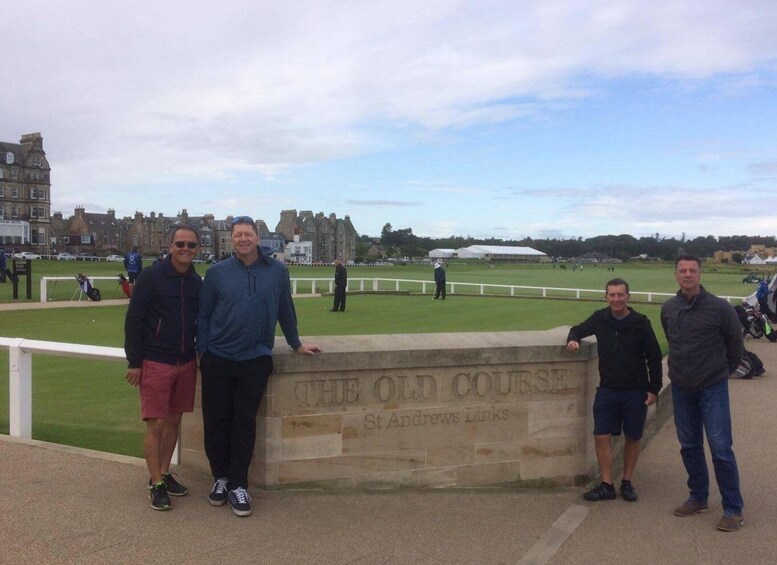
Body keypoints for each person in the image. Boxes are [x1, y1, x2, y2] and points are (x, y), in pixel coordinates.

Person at [197, 216, 321, 517]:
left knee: (244, 423)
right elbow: (203, 315)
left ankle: (239, 484)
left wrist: (295, 343)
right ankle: (220, 480)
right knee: (216, 423)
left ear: (256, 238)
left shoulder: (277, 271)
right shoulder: (216, 273)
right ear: (232, 238)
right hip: (218, 359)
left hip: (255, 359)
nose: (242, 239)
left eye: (247, 234)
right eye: (237, 234)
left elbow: (285, 309)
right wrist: (203, 351)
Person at [661, 254, 745, 532]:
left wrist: (721, 372)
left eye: (692, 270)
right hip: (682, 387)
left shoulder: (720, 308)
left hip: (712, 386)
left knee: (721, 448)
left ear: (700, 274)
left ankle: (733, 509)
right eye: (682, 270)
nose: (687, 275)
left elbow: (735, 346)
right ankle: (698, 496)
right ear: (676, 275)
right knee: (689, 445)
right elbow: (671, 341)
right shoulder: (669, 308)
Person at [124, 227, 202, 511]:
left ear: (197, 249)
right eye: (180, 243)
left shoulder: (196, 281)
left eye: (191, 244)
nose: (185, 248)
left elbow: (200, 321)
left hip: (186, 361)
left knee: (174, 420)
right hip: (155, 360)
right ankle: (155, 482)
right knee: (156, 424)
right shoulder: (151, 277)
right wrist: (134, 361)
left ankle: (165, 473)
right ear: (170, 246)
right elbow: (134, 319)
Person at [567, 278, 662, 503]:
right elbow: (578, 329)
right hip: (608, 389)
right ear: (606, 297)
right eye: (612, 295)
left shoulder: (641, 322)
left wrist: (654, 389)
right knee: (601, 436)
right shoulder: (600, 318)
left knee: (632, 437)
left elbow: (654, 357)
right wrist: (573, 340)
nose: (616, 299)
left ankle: (627, 482)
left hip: (635, 390)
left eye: (621, 295)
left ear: (628, 296)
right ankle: (607, 485)